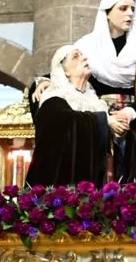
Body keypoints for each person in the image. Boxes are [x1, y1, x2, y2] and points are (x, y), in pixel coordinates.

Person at [71, 0, 136, 184]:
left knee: (134, 178)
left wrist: (129, 113)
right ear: (107, 13)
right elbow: (68, 73)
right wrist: (44, 81)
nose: (130, 14)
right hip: (97, 119)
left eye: (133, 9)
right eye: (123, 8)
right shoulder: (86, 47)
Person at [27, 44, 113, 187]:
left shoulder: (96, 102)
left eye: (82, 54)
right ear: (65, 72)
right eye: (75, 57)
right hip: (62, 185)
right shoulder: (53, 97)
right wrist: (104, 121)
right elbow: (66, 122)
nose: (84, 57)